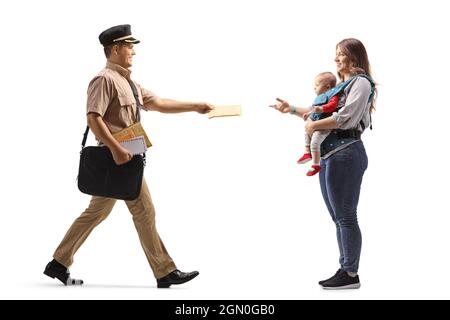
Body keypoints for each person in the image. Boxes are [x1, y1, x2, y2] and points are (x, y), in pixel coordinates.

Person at [44, 24, 214, 288]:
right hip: (117, 159)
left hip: (125, 157)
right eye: (129, 46)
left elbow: (158, 103)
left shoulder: (129, 82)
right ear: (115, 49)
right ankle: (165, 271)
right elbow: (93, 117)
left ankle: (58, 262)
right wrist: (115, 148)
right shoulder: (104, 79)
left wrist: (196, 107)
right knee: (144, 211)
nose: (133, 51)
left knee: (95, 213)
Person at [273, 38, 376, 289]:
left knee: (346, 216)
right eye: (336, 54)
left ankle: (350, 273)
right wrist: (293, 110)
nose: (336, 59)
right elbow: (317, 113)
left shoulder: (361, 83)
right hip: (332, 156)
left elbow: (346, 118)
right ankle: (346, 268)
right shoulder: (340, 87)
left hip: (346, 153)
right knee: (338, 217)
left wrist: (313, 125)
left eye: (341, 54)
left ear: (353, 56)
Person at [296, 72, 340, 176]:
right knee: (306, 133)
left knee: (315, 143)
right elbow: (313, 109)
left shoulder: (333, 95)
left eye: (317, 85)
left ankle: (316, 164)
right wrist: (308, 114)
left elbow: (333, 106)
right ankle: (307, 153)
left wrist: (321, 108)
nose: (314, 88)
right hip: (314, 123)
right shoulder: (319, 98)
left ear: (327, 86)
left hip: (323, 125)